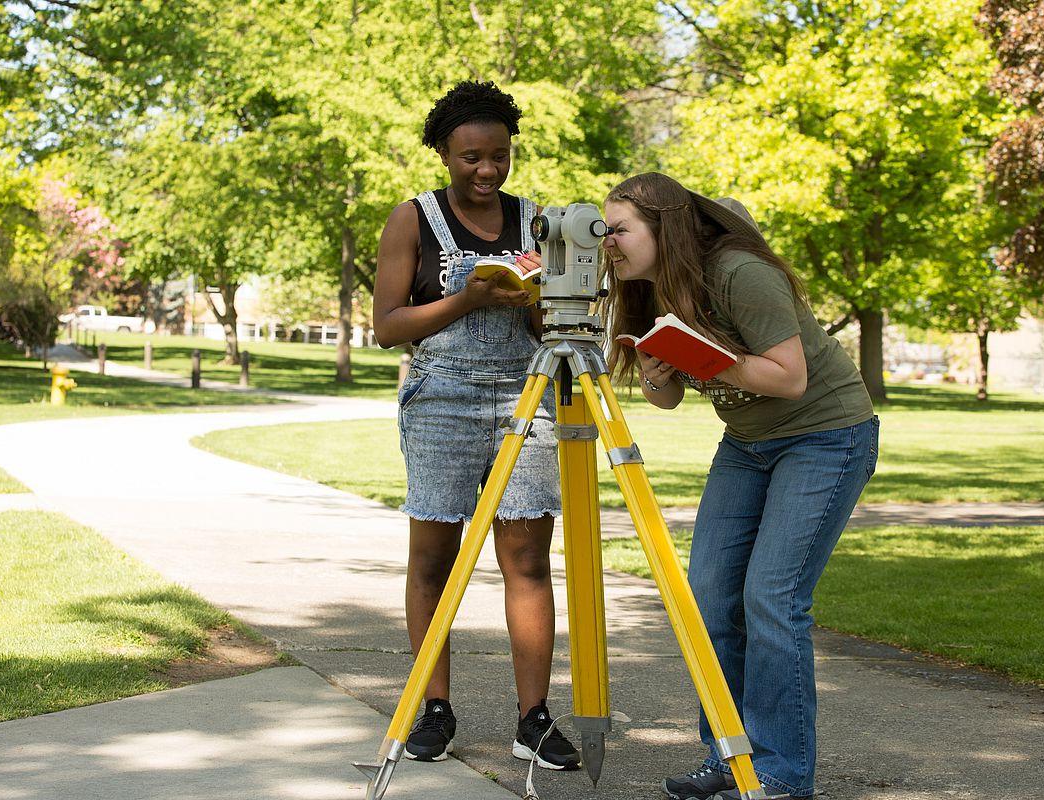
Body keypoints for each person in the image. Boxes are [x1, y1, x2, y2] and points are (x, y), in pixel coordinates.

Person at [599, 173, 879, 800]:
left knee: (771, 600)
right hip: (748, 445)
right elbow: (666, 399)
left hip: (825, 436)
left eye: (618, 229)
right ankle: (728, 755)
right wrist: (655, 369)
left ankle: (781, 774)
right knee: (708, 597)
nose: (607, 242)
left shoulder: (738, 272)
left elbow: (789, 378)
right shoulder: (648, 290)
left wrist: (705, 354)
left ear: (663, 227)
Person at [371, 80, 580, 771]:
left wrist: (532, 301)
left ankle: (535, 719)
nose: (487, 171)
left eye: (499, 156)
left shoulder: (535, 220)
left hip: (526, 398)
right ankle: (435, 709)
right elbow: (387, 327)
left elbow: (547, 323)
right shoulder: (413, 220)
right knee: (435, 559)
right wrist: (466, 299)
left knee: (526, 559)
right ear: (443, 154)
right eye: (470, 158)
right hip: (442, 401)